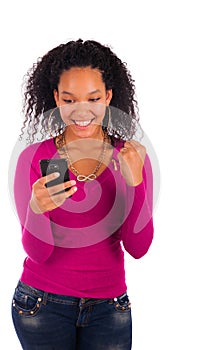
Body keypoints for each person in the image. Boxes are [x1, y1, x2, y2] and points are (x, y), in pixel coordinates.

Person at [11, 39, 154, 350]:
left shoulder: (130, 157)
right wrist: (37, 209)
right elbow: (39, 253)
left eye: (93, 98)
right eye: (69, 99)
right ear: (55, 99)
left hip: (109, 308)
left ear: (109, 97)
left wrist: (134, 183)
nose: (81, 111)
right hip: (41, 305)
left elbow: (138, 247)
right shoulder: (35, 158)